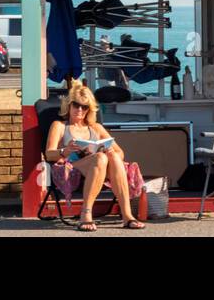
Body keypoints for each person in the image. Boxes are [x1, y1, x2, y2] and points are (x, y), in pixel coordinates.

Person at [45, 79, 146, 231]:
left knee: (110, 156)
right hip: (71, 168)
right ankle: (86, 213)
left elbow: (120, 153)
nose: (79, 110)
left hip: (99, 167)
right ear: (69, 105)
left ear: (89, 109)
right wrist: (65, 151)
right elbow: (49, 154)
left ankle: (127, 215)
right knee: (101, 158)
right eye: (76, 105)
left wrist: (109, 151)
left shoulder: (96, 128)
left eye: (84, 107)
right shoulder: (59, 126)